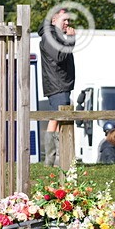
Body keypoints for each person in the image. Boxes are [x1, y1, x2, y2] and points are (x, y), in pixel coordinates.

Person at [39, 8, 76, 166]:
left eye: (68, 20)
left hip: (59, 84)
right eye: (64, 20)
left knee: (55, 119)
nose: (67, 23)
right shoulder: (50, 37)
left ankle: (52, 160)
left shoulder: (53, 35)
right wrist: (71, 39)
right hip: (57, 85)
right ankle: (56, 160)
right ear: (54, 20)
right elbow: (60, 56)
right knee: (60, 120)